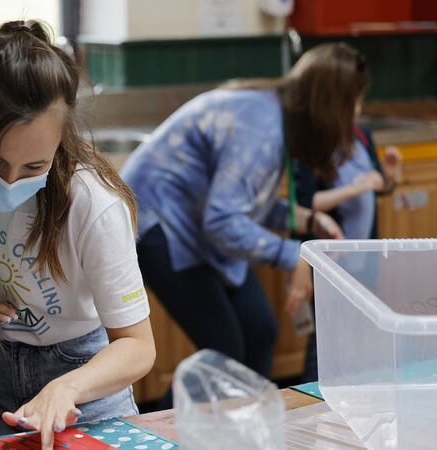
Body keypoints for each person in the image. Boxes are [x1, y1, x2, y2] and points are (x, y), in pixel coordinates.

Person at [0, 20, 156, 448]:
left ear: (60, 139)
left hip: (82, 374)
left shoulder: (92, 202)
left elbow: (137, 346)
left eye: (33, 167)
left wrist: (68, 388)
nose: (8, 182)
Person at [120, 42, 368, 407]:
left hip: (196, 223)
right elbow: (222, 220)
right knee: (224, 351)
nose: (358, 114)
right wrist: (295, 255)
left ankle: (246, 427)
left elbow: (243, 205)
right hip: (159, 224)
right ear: (333, 104)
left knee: (260, 331)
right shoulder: (262, 128)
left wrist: (307, 219)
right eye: (355, 103)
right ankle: (157, 436)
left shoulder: (277, 115)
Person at [294, 125, 402, 382]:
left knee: (360, 331)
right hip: (330, 257)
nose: (356, 108)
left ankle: (353, 389)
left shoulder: (363, 134)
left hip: (365, 254)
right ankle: (316, 396)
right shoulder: (311, 140)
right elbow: (304, 204)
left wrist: (389, 178)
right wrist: (353, 190)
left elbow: (375, 185)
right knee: (326, 335)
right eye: (352, 100)